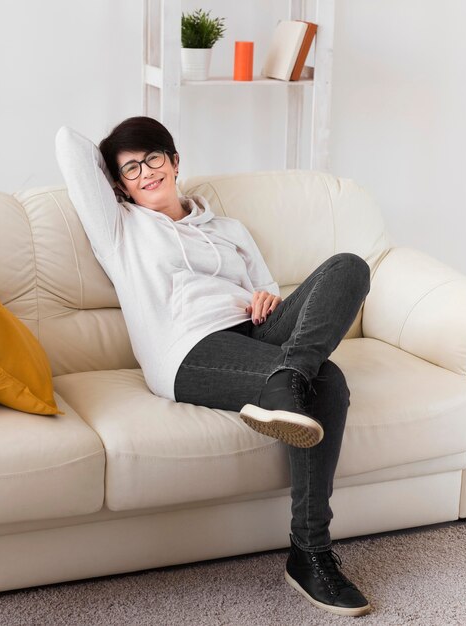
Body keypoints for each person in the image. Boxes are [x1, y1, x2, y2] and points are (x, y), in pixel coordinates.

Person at [56, 116, 372, 617]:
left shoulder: (229, 229)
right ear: (118, 185)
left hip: (255, 331)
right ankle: (311, 553)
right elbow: (69, 148)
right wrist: (115, 160)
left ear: (176, 161)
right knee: (328, 380)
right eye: (130, 169)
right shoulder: (120, 230)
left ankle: (285, 382)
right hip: (188, 349)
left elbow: (271, 293)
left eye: (154, 158)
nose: (146, 173)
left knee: (349, 266)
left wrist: (264, 297)